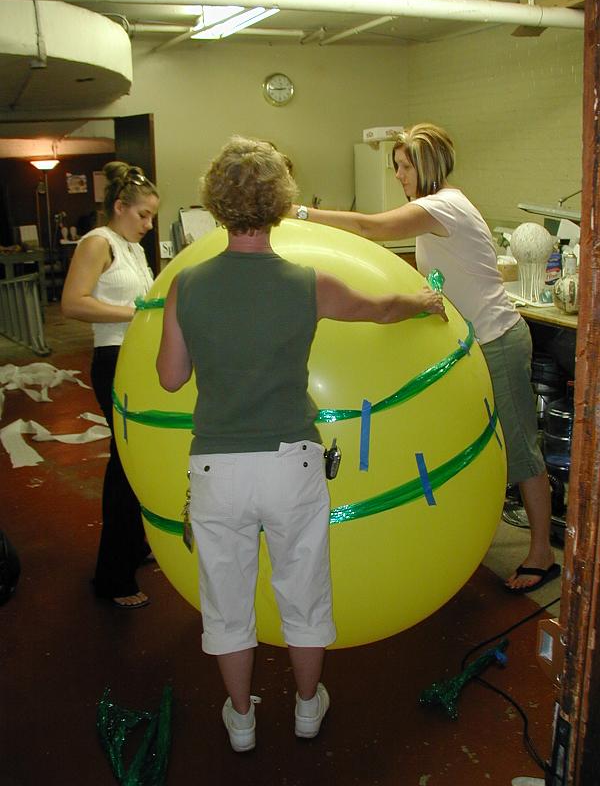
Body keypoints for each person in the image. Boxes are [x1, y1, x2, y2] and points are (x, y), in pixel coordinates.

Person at [156, 136, 447, 753]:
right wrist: (423, 302)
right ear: (280, 202)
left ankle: (241, 720)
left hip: (217, 469)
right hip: (292, 463)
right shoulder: (306, 283)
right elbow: (381, 309)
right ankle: (308, 708)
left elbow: (171, 378)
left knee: (226, 602)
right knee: (304, 590)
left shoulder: (186, 285)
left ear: (216, 204)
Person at [289, 122, 559, 595]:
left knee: (519, 448)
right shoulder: (437, 209)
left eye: (404, 166)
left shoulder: (443, 206)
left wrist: (300, 214)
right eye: (396, 167)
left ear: (427, 165)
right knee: (474, 442)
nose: (398, 176)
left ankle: (543, 554)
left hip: (497, 340)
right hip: (473, 344)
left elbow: (371, 228)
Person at [62, 161, 159, 608]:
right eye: (143, 215)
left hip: (135, 360)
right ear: (120, 207)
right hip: (113, 360)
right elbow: (73, 303)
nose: (149, 224)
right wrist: (136, 313)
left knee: (136, 458)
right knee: (124, 463)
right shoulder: (97, 242)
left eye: (152, 216)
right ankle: (113, 577)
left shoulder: (131, 248)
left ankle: (133, 545)